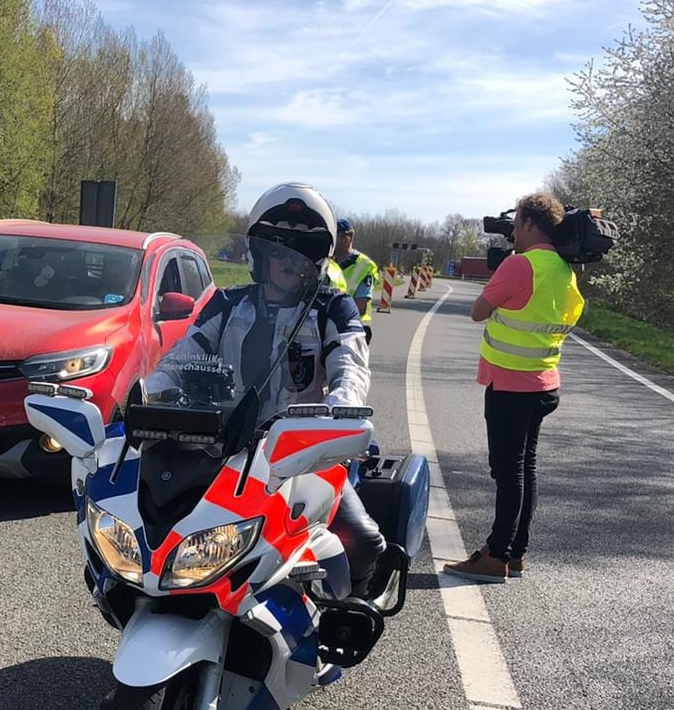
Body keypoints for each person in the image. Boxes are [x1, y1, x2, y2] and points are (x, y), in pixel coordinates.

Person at [148, 182, 390, 597]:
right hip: (224, 447)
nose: (289, 263)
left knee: (363, 541)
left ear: (318, 260)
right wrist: (145, 395)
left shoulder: (333, 308)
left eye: (303, 253)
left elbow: (351, 368)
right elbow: (179, 359)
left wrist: (337, 415)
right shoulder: (225, 304)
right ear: (258, 254)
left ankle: (343, 621)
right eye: (279, 251)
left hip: (305, 452)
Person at [445, 193, 585, 583]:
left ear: (527, 223)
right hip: (544, 382)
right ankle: (516, 553)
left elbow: (478, 312)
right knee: (526, 469)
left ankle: (495, 556)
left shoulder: (520, 265)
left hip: (510, 382)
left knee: (508, 473)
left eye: (516, 221)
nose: (512, 230)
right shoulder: (563, 269)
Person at [333, 218, 381, 342]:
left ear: (346, 239)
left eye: (333, 237)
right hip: (331, 328)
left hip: (354, 329)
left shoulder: (365, 265)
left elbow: (360, 306)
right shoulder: (328, 262)